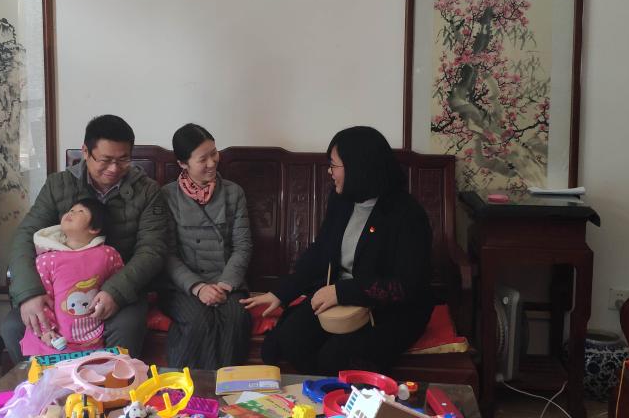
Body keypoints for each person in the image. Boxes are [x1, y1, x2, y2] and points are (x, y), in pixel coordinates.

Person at [241, 126, 435, 375]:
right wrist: (282, 293)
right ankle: (318, 392)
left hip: (390, 310)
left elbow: (405, 286)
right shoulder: (342, 199)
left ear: (358, 168)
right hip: (339, 298)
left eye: (334, 165)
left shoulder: (407, 214)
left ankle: (340, 395)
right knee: (290, 340)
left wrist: (342, 292)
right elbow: (322, 250)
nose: (329, 172)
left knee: (335, 358)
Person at [2, 114, 171, 362]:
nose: (114, 168)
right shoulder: (59, 185)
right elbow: (25, 237)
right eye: (105, 160)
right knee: (13, 326)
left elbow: (152, 250)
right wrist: (28, 293)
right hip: (60, 289)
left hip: (121, 287)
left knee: (127, 326)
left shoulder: (147, 190)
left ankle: (112, 385)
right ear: (85, 152)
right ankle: (45, 385)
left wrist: (115, 291)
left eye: (123, 159)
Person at [160, 123, 252, 369]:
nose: (212, 163)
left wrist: (225, 283)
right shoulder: (167, 196)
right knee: (197, 320)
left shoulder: (233, 193)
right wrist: (198, 287)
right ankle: (191, 386)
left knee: (236, 318)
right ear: (183, 163)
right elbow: (167, 254)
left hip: (226, 281)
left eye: (214, 153)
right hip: (183, 286)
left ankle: (228, 385)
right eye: (203, 159)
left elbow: (242, 245)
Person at [19, 198, 124, 356]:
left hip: (93, 336)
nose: (71, 213)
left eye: (80, 211)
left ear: (95, 228)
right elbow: (43, 299)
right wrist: (46, 331)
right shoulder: (46, 260)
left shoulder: (107, 254)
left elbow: (119, 281)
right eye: (71, 210)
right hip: (54, 340)